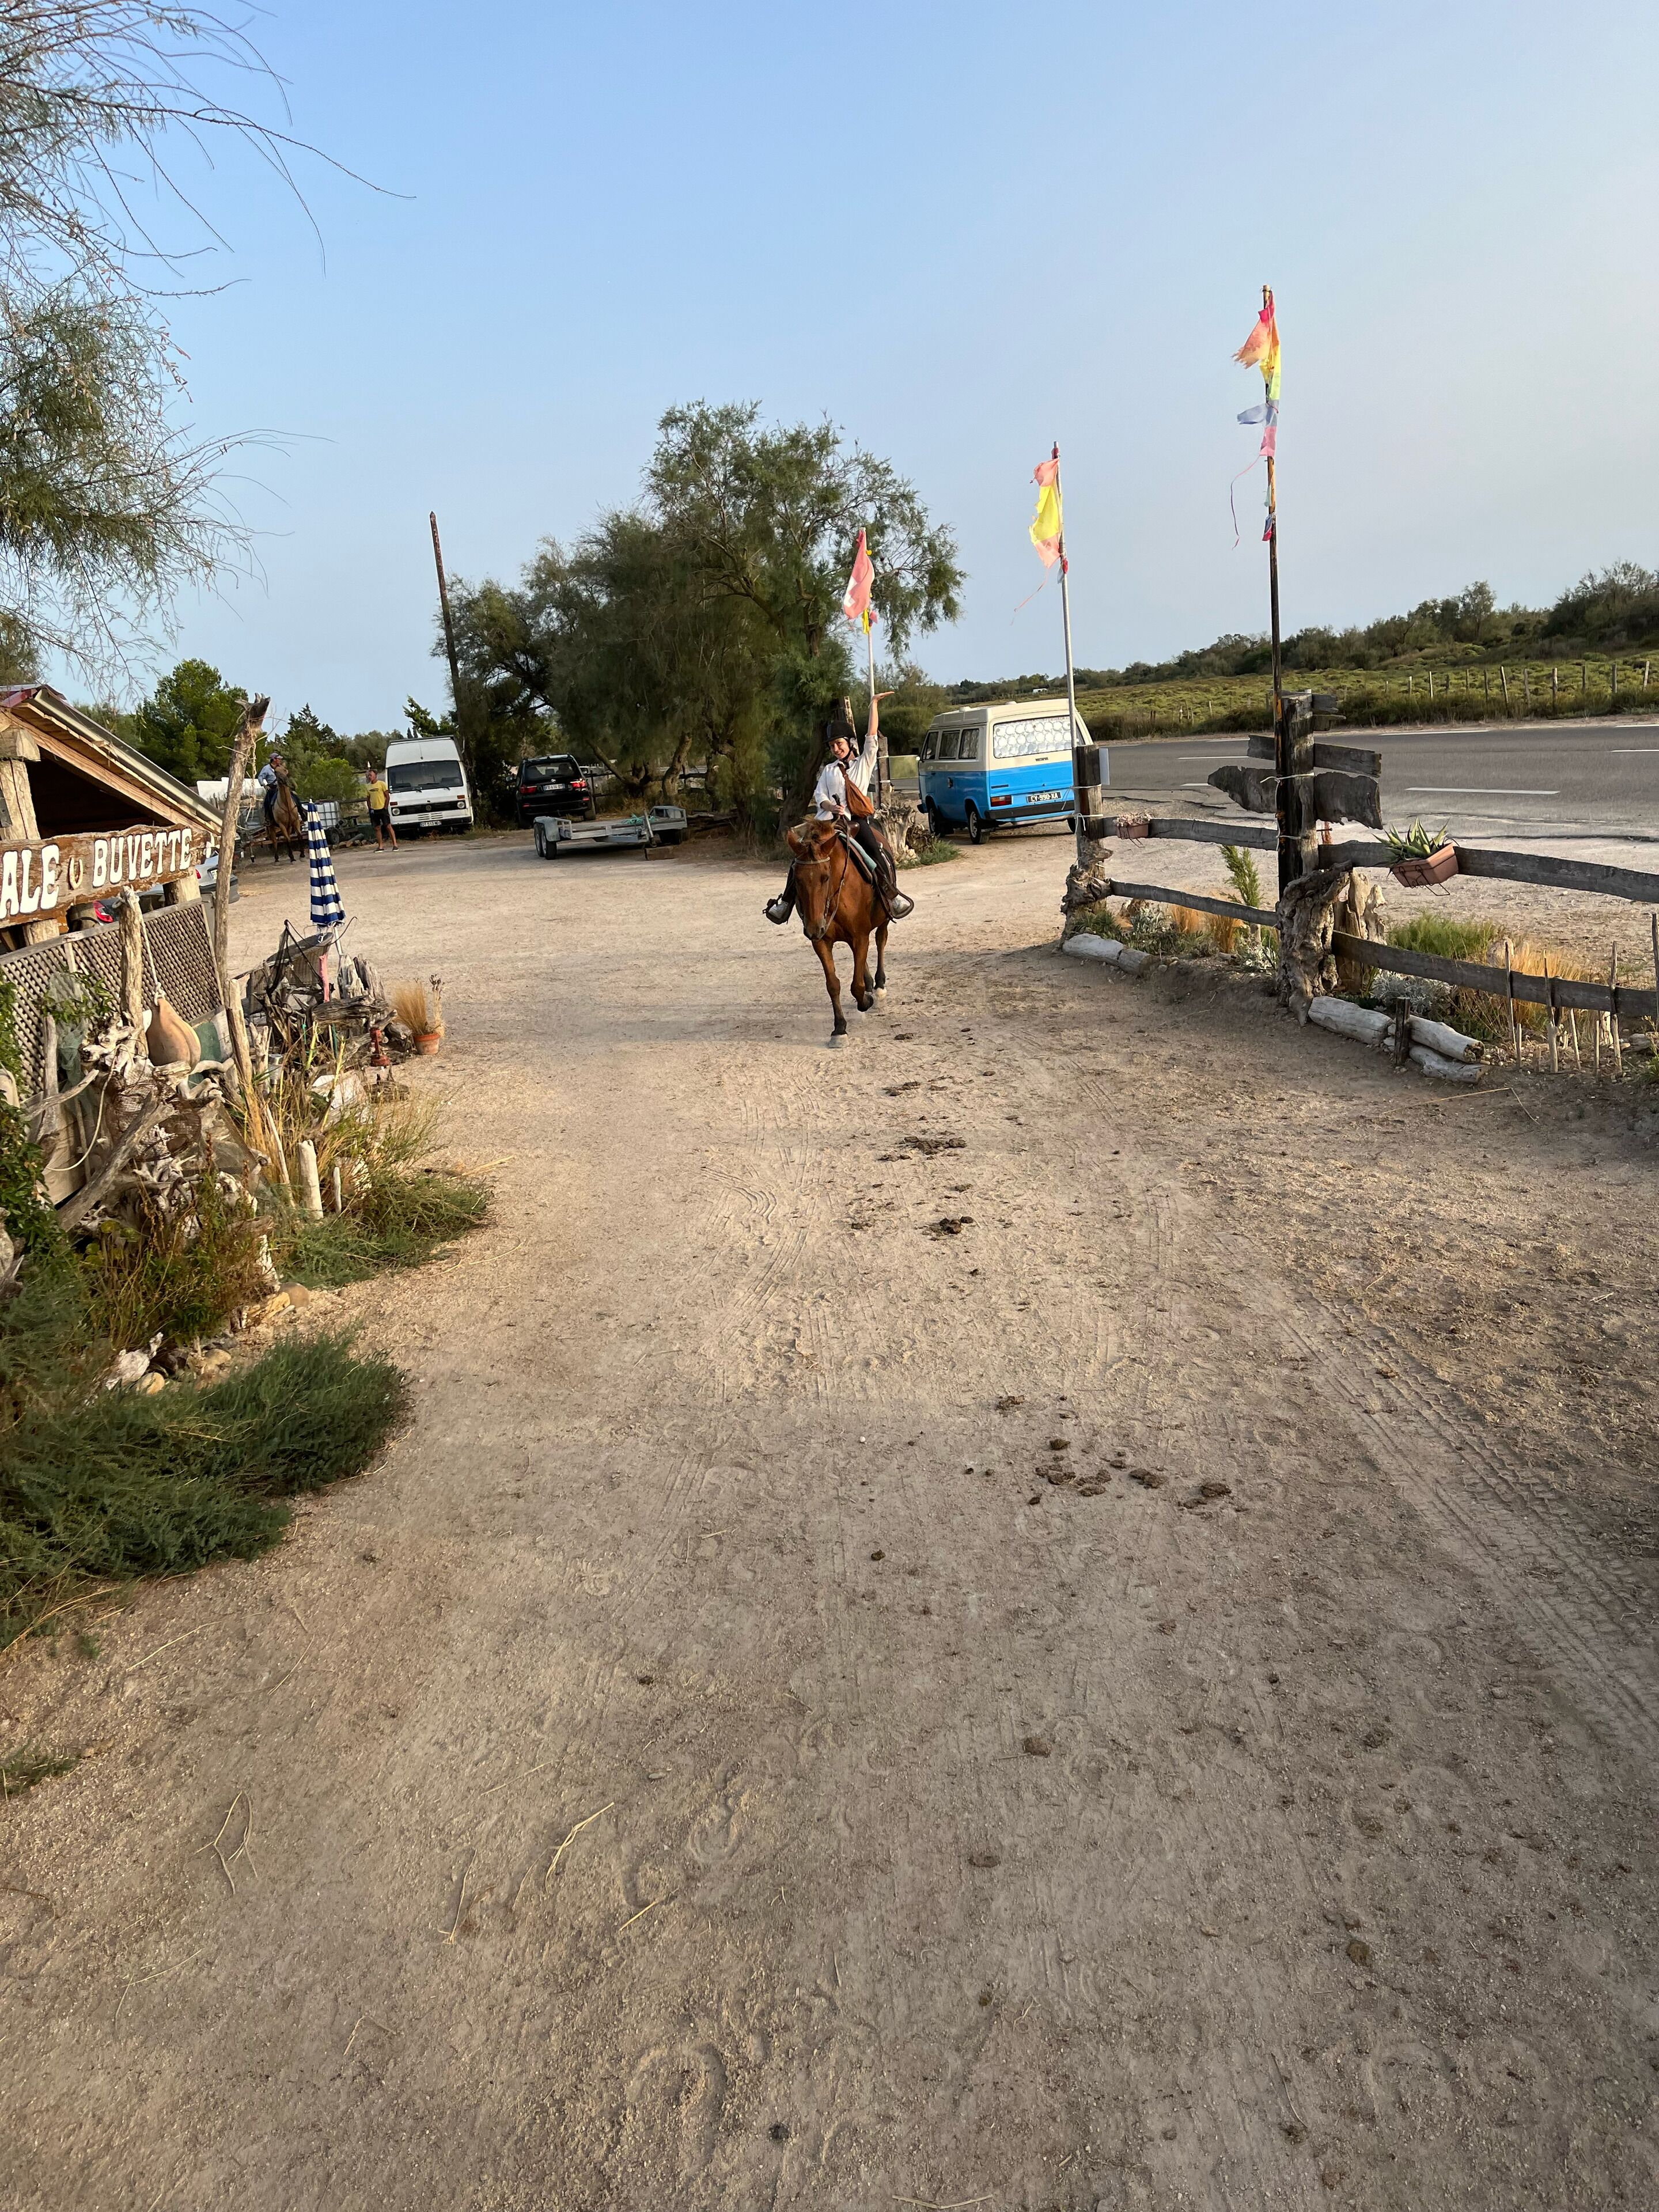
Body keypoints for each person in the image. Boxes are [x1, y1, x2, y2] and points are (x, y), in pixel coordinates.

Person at [764, 692, 913, 925]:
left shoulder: (863, 763)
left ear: (850, 743)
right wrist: (830, 806)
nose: (836, 748)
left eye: (839, 744)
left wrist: (873, 704)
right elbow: (820, 795)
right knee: (800, 859)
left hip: (854, 822)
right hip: (826, 822)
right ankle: (786, 902)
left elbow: (871, 735)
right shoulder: (829, 770)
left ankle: (891, 895)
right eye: (833, 745)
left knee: (874, 853)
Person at [365, 763, 396, 850]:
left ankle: (395, 844)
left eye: (371, 775)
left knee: (388, 826)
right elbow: (368, 799)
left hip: (382, 809)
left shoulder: (382, 784)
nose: (370, 777)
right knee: (377, 828)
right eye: (369, 776)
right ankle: (381, 846)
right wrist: (370, 808)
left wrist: (385, 807)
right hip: (374, 810)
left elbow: (387, 796)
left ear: (375, 776)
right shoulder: (368, 787)